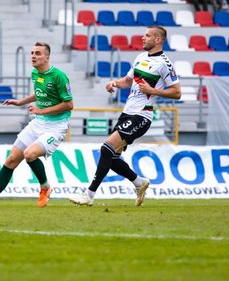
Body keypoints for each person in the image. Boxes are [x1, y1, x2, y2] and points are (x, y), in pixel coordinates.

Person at [70, 26, 181, 207]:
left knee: (106, 148)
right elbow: (128, 81)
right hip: (127, 113)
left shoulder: (164, 64)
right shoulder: (140, 57)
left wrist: (152, 90)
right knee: (112, 157)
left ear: (158, 40)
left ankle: (89, 195)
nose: (143, 38)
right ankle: (139, 182)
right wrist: (114, 83)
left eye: (147, 36)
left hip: (142, 115)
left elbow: (176, 92)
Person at [0, 42, 73, 209]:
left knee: (29, 154)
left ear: (47, 57)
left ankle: (45, 187)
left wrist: (41, 111)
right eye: (32, 53)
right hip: (39, 122)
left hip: (56, 126)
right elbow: (40, 93)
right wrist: (20, 102)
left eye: (38, 53)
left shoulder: (59, 76)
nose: (33, 56)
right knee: (11, 160)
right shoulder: (35, 73)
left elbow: (69, 105)